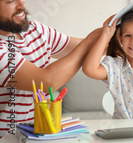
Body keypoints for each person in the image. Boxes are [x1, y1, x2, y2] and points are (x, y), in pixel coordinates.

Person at [0, 0, 104, 136]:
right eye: (10, 1)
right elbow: (46, 82)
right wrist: (91, 41)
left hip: (37, 134)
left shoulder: (34, 29)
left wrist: (120, 37)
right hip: (7, 138)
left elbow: (79, 47)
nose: (22, 5)